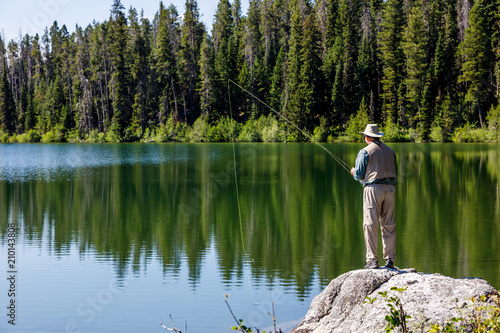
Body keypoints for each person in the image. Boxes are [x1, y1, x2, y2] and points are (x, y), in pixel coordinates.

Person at [350, 124, 397, 270]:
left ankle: (372, 260)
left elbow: (359, 174)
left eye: (364, 136)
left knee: (370, 224)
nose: (364, 138)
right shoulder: (390, 151)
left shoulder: (365, 152)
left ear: (368, 137)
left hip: (373, 189)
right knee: (389, 225)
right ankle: (390, 259)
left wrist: (353, 173)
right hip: (390, 189)